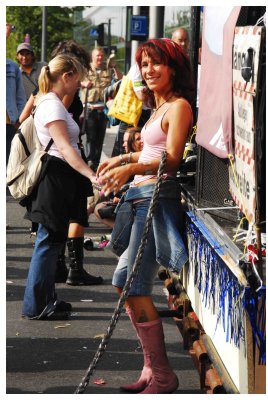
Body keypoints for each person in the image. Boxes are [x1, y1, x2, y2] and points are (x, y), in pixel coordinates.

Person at [97, 38, 195, 393]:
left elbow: (173, 159)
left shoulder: (179, 106)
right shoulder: (159, 106)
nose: (149, 70)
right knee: (125, 282)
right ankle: (151, 369)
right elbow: (154, 149)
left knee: (133, 284)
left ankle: (164, 376)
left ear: (173, 67)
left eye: (156, 63)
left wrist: (132, 165)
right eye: (144, 64)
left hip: (155, 198)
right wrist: (121, 161)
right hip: (140, 197)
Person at [21, 54, 102, 320]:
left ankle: (45, 300)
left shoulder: (47, 101)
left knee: (51, 241)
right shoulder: (53, 106)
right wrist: (90, 174)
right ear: (66, 77)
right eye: (77, 79)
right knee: (47, 243)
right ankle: (36, 305)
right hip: (55, 178)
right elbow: (64, 147)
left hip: (57, 178)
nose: (79, 85)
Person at [81, 47, 123, 171]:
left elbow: (120, 79)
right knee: (91, 138)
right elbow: (77, 80)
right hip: (90, 109)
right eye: (97, 56)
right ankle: (89, 162)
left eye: (101, 56)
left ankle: (95, 165)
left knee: (100, 139)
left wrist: (114, 67)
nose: (99, 58)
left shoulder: (109, 69)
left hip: (104, 110)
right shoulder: (85, 69)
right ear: (92, 57)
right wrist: (83, 83)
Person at [6, 24, 26, 166]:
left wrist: (19, 120)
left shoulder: (12, 67)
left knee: (9, 165)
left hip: (9, 124)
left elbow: (20, 97)